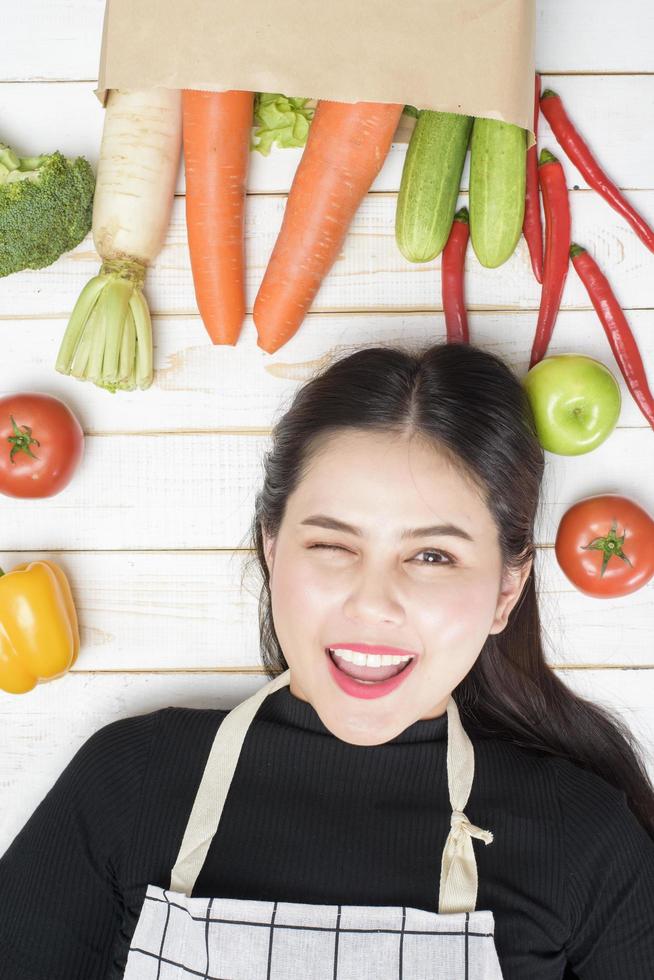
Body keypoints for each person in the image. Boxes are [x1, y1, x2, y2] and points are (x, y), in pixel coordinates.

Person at [0, 341, 652, 980]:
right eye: (333, 545)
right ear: (273, 550)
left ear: (506, 593)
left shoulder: (584, 841)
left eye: (433, 556)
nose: (373, 603)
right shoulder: (131, 783)